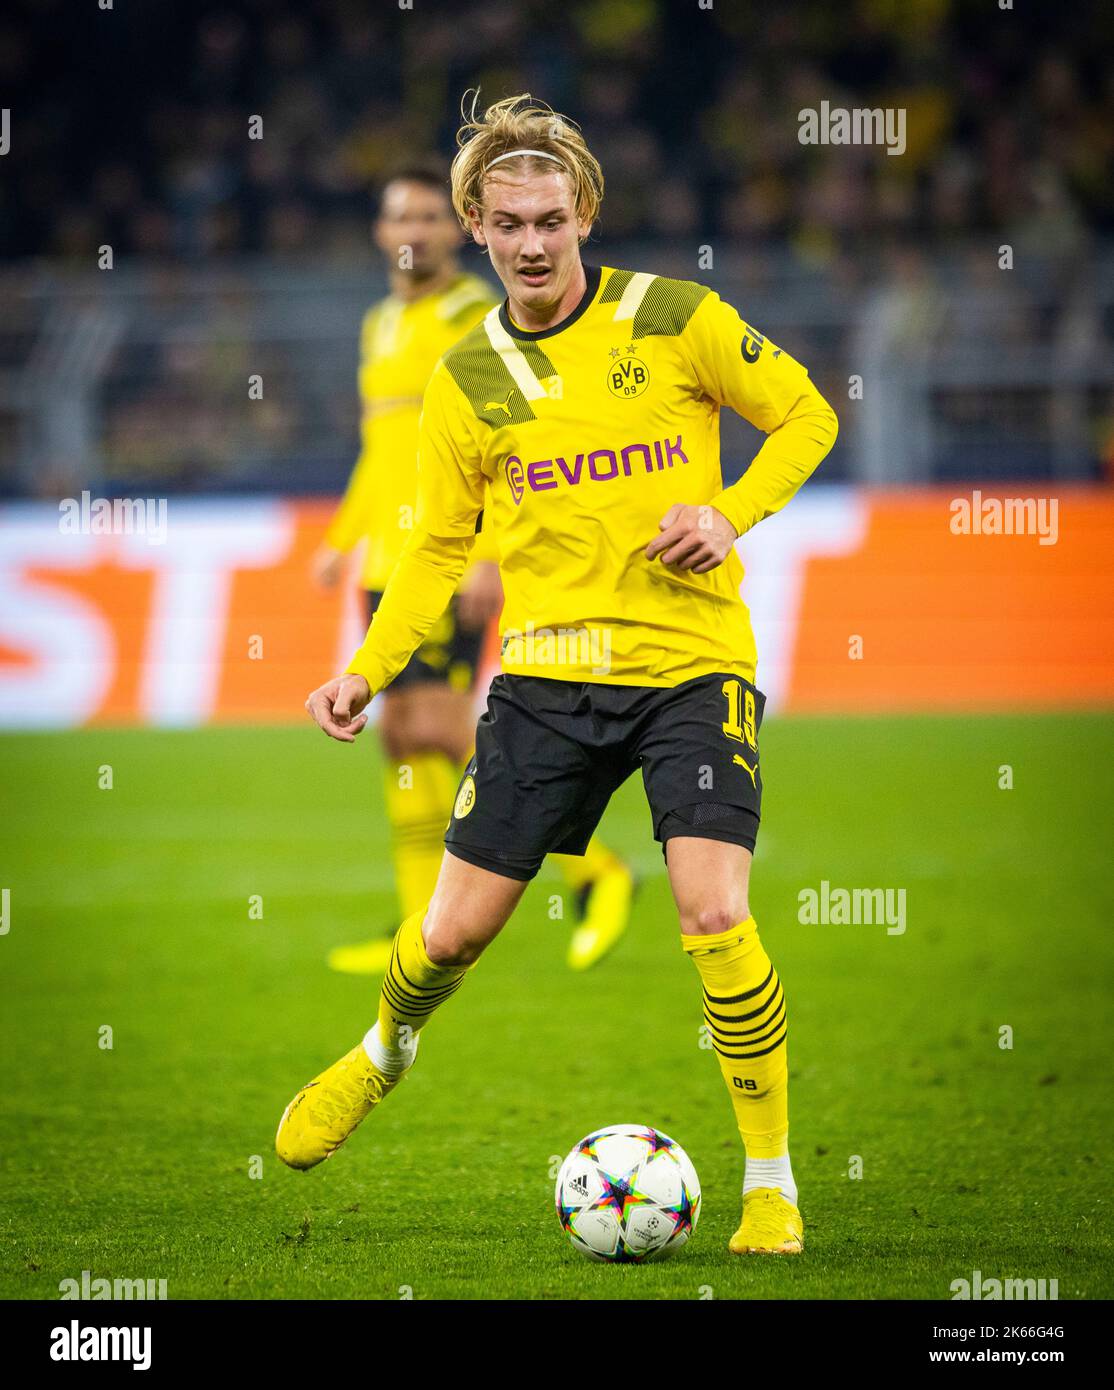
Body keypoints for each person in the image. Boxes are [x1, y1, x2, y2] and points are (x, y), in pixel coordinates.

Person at [279, 93, 838, 1257]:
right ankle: (385, 1048)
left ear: (583, 210)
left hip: (690, 667)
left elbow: (804, 416)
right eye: (506, 224)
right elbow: (434, 545)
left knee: (712, 908)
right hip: (544, 682)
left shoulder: (674, 317)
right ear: (477, 231)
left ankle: (773, 1185)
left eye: (549, 219)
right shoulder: (461, 379)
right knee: (448, 938)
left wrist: (730, 514)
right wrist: (367, 669)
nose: (531, 243)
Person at [314, 162, 633, 976]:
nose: (414, 231)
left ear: (456, 230)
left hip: (450, 555)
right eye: (400, 217)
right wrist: (342, 535)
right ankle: (418, 929)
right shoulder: (379, 324)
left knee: (445, 728)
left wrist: (489, 549)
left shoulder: (471, 319)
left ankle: (596, 871)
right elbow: (380, 448)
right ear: (381, 233)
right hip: (387, 555)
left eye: (429, 216)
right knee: (399, 736)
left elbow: (503, 443)